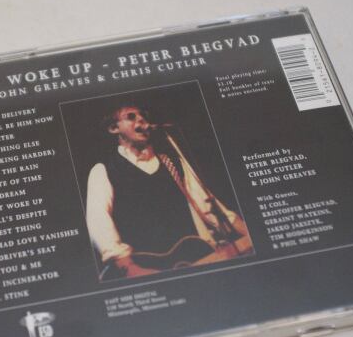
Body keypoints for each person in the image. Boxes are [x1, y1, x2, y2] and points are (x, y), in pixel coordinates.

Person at [86, 104, 252, 279]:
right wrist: (129, 268)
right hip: (143, 266)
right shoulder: (104, 170)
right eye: (131, 116)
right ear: (114, 128)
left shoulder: (171, 162)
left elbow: (207, 205)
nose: (141, 119)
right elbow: (99, 221)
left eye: (143, 115)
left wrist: (250, 234)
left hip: (191, 257)